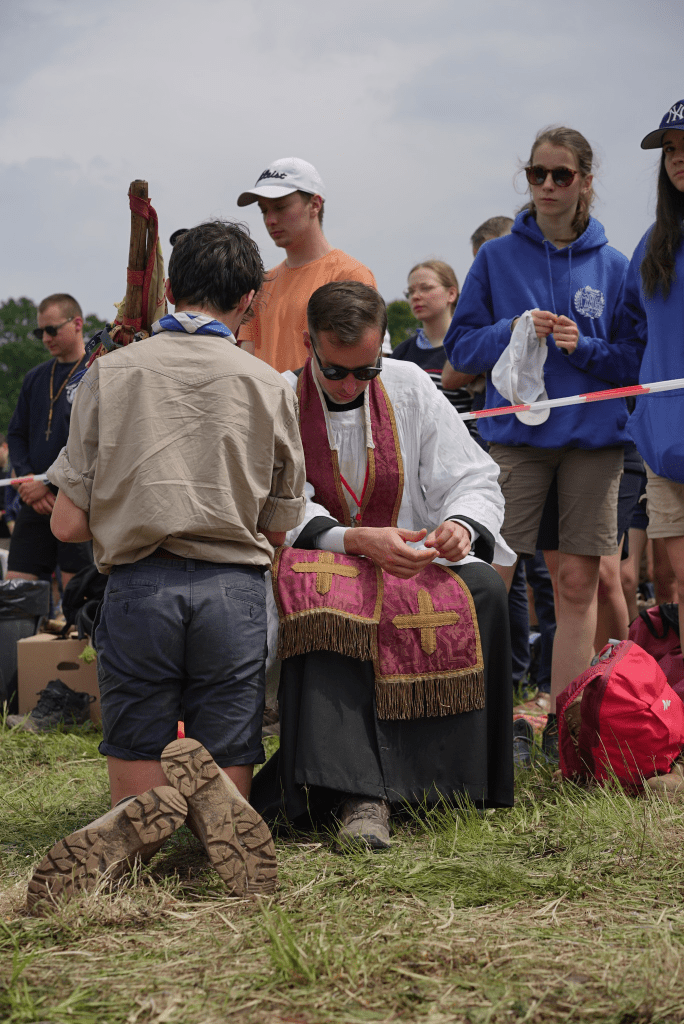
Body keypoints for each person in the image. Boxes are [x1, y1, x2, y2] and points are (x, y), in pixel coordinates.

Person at [28, 221, 307, 911]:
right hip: (232, 592)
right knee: (230, 746)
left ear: (172, 288)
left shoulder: (109, 373)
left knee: (136, 760)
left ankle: (140, 826)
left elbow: (67, 524)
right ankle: (214, 819)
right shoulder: (270, 384)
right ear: (249, 300)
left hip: (139, 588)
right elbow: (279, 528)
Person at [251, 281, 516, 850]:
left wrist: (460, 524)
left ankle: (447, 781)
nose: (351, 386)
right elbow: (276, 501)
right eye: (335, 372)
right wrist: (353, 540)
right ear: (309, 345)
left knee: (484, 591)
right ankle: (357, 795)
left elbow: (470, 474)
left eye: (365, 371)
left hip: (411, 557)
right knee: (321, 606)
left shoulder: (410, 384)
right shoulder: (279, 397)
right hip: (324, 558)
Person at [444, 126, 643, 760]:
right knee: (492, 577)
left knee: (579, 584)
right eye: (537, 174)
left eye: (562, 174)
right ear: (526, 178)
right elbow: (460, 351)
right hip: (517, 440)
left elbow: (634, 361)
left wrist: (583, 347)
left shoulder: (616, 266)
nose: (548, 185)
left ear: (586, 180)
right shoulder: (496, 258)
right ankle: (479, 719)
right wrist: (513, 330)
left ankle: (565, 726)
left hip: (593, 443)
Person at [622, 98, 684, 645]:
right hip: (665, 443)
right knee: (679, 584)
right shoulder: (653, 243)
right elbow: (632, 338)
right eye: (669, 149)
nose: (677, 158)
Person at [236, 157, 376, 372]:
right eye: (264, 210)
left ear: (315, 205)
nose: (270, 220)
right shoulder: (263, 284)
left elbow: (356, 364)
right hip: (267, 395)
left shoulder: (350, 276)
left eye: (280, 207)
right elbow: (247, 359)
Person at [6, 294, 93, 587]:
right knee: (15, 590)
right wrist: (26, 480)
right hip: (34, 499)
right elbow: (16, 434)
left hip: (74, 498)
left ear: (77, 323)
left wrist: (47, 482)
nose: (45, 338)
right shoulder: (35, 378)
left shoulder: (95, 372)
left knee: (78, 592)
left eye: (52, 330)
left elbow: (92, 442)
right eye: (40, 331)